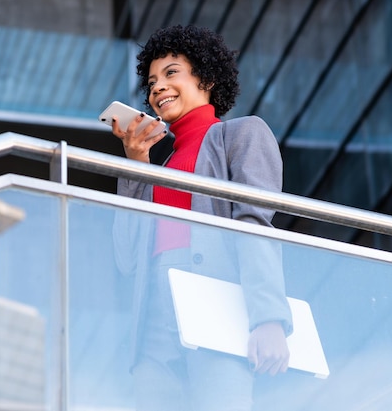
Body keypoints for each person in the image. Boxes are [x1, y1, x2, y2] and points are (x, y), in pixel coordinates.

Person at [111, 24, 292, 411]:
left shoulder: (242, 134)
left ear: (206, 79)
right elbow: (126, 260)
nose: (157, 87)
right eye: (152, 81)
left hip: (219, 303)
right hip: (153, 323)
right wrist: (136, 165)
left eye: (171, 72)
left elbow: (254, 223)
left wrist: (269, 318)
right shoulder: (157, 169)